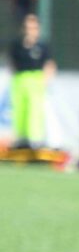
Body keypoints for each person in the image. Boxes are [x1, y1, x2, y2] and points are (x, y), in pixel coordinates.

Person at [7, 13, 56, 150]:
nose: (30, 30)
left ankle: (34, 141)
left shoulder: (42, 46)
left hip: (36, 81)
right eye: (28, 27)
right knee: (19, 111)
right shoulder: (17, 45)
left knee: (34, 111)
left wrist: (45, 81)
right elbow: (12, 64)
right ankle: (21, 139)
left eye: (33, 27)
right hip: (20, 81)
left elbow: (49, 65)